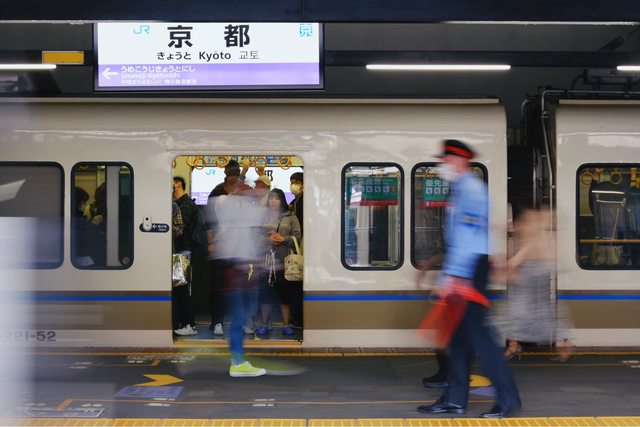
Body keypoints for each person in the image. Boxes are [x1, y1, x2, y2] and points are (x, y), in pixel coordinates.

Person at [417, 139, 521, 418]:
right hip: (468, 269)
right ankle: (454, 399)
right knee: (459, 339)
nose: (443, 165)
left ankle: (508, 400)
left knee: (481, 339)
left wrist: (454, 277)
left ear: (460, 161)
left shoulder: (471, 190)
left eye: (446, 160)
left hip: (470, 271)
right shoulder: (462, 189)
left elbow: (468, 238)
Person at [210, 178, 267, 377]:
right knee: (238, 319)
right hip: (235, 276)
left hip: (238, 276)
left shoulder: (238, 223)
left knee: (239, 319)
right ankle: (237, 362)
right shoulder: (231, 215)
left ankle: (238, 360)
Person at [503, 208, 573, 361]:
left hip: (529, 278)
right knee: (540, 312)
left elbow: (523, 253)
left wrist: (513, 263)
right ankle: (563, 345)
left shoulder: (532, 234)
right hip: (534, 276)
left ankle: (514, 346)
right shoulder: (540, 234)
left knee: (520, 311)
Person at [256, 188, 302, 336]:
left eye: (277, 198)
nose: (274, 201)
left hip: (285, 263)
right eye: (271, 198)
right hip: (266, 262)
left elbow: (297, 236)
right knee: (265, 296)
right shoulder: (263, 217)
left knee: (285, 296)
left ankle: (285, 325)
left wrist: (284, 239)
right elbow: (255, 236)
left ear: (282, 200)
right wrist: (267, 240)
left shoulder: (291, 216)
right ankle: (264, 324)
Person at [415, 251, 449, 388]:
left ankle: (447, 376)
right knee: (444, 339)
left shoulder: (461, 247)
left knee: (445, 340)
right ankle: (448, 375)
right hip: (449, 296)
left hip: (453, 297)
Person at [172, 176, 199, 336]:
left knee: (182, 288)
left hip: (183, 251)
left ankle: (189, 324)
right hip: (181, 251)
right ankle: (183, 322)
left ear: (178, 184)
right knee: (180, 288)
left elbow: (182, 230)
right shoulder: (180, 204)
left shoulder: (186, 205)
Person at [288, 171, 304, 328]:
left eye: (296, 182)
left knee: (298, 282)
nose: (293, 185)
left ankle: (298, 318)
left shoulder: (304, 200)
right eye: (292, 182)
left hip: (302, 245)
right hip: (299, 245)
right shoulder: (295, 201)